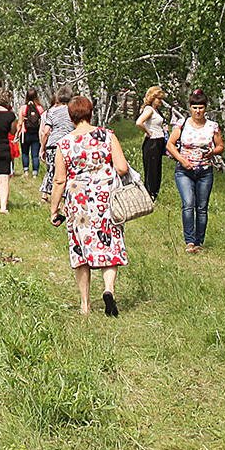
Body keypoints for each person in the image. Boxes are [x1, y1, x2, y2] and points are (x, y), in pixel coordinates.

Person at [48, 94, 131, 316]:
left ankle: (85, 304)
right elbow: (122, 168)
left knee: (80, 248)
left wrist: (54, 209)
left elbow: (59, 180)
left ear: (70, 116)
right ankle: (108, 289)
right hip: (105, 197)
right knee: (109, 241)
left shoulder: (64, 144)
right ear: (90, 112)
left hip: (78, 200)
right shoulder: (107, 135)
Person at [165, 90, 225, 252]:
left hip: (205, 170)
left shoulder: (212, 126)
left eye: (201, 107)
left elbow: (221, 146)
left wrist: (212, 152)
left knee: (202, 207)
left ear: (205, 108)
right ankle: (189, 241)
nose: (198, 111)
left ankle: (199, 241)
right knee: (188, 203)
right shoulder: (182, 124)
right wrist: (182, 160)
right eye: (194, 107)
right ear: (190, 108)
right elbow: (170, 144)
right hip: (184, 171)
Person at [134, 86, 171, 201]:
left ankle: (154, 193)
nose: (160, 102)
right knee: (151, 170)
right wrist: (148, 132)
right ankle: (149, 195)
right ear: (152, 98)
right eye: (158, 99)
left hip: (158, 142)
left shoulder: (156, 111)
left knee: (157, 169)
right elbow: (139, 122)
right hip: (152, 142)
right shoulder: (149, 109)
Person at [39, 86, 75, 202]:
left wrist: (42, 148)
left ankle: (53, 198)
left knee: (52, 173)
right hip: (69, 145)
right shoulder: (73, 111)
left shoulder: (51, 112)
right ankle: (66, 198)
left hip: (53, 146)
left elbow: (46, 132)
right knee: (68, 173)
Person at [20, 89, 45, 177]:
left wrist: (17, 133)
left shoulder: (23, 108)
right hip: (36, 133)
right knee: (35, 154)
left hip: (25, 133)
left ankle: (26, 171)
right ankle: (35, 173)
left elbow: (20, 122)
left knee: (25, 153)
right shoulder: (40, 108)